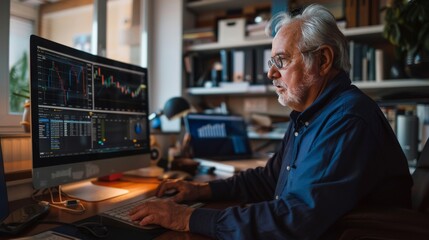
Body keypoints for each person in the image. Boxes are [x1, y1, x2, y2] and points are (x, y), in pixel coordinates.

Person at [129, 4, 413, 239]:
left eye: (281, 60)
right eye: (271, 62)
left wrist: (186, 217)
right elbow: (270, 179)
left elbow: (295, 219)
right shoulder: (309, 115)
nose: (270, 74)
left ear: (323, 60)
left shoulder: (348, 120)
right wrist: (201, 190)